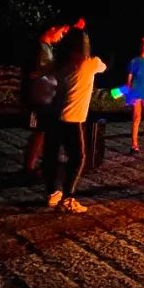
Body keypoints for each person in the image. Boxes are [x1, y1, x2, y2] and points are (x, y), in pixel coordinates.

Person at [43, 28, 105, 214]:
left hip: (53, 116)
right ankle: (68, 198)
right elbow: (103, 66)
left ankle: (53, 192)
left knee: (51, 156)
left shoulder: (61, 64)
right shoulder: (90, 63)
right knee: (78, 158)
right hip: (72, 118)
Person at [23, 23, 68, 173]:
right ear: (52, 29)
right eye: (61, 32)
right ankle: (30, 166)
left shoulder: (47, 47)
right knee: (40, 131)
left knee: (44, 131)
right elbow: (33, 72)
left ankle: (37, 163)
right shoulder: (39, 48)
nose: (61, 37)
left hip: (46, 96)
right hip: (38, 97)